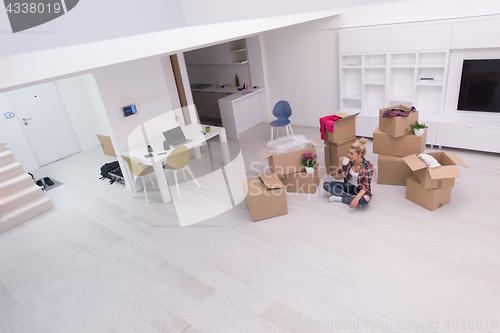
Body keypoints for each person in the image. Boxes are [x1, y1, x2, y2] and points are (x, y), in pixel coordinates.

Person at [323, 138, 373, 208]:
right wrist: (340, 163)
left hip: (360, 189)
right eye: (349, 152)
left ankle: (341, 199)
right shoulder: (350, 161)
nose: (348, 155)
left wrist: (357, 198)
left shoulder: (368, 166)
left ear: (359, 154)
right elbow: (339, 171)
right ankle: (349, 198)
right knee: (326, 184)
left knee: (366, 199)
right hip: (348, 186)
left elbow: (366, 187)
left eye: (351, 153)